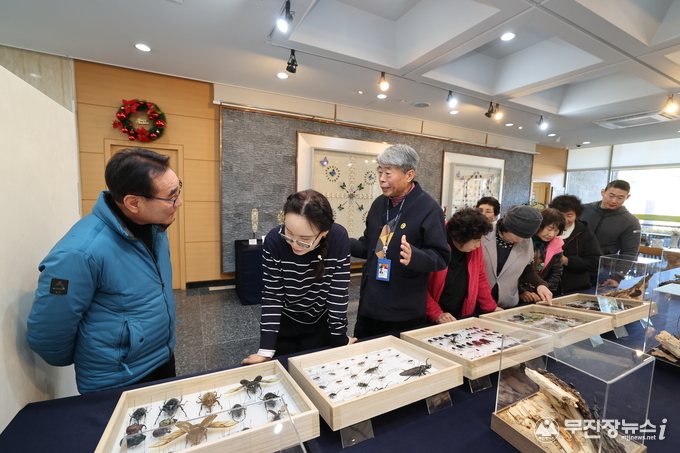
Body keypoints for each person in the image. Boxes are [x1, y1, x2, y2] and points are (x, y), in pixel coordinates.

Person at [27, 148, 181, 394]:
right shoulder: (79, 253)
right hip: (117, 379)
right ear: (133, 202)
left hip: (161, 356)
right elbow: (48, 334)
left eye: (178, 190)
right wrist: (103, 358)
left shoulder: (155, 227)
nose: (179, 202)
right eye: (171, 196)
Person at [242, 190, 354, 364]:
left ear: (324, 232)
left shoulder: (338, 238)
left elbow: (337, 292)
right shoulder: (274, 240)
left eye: (304, 239)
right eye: (289, 233)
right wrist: (265, 350)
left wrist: (340, 338)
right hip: (286, 320)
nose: (294, 243)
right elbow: (273, 294)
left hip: (320, 321)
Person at [351, 144, 450, 338]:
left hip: (403, 308)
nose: (382, 178)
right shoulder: (379, 204)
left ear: (409, 174)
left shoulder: (429, 209)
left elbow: (441, 257)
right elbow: (369, 246)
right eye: (380, 171)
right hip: (370, 303)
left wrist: (416, 256)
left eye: (388, 173)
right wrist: (337, 239)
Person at [426, 208, 502, 324]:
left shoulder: (474, 248)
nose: (478, 246)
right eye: (476, 241)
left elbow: (480, 278)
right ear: (461, 238)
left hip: (459, 312)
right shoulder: (435, 243)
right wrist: (436, 313)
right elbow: (419, 287)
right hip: (430, 316)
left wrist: (491, 307)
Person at [481, 205, 553, 308]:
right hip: (479, 302)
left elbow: (527, 271)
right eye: (518, 235)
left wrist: (540, 285)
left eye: (525, 237)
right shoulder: (484, 233)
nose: (520, 240)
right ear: (507, 226)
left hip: (507, 303)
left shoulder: (526, 241)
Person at [579, 180, 641, 287]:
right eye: (611, 195)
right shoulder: (582, 210)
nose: (613, 201)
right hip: (570, 266)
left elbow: (629, 252)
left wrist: (617, 276)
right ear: (603, 192)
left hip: (601, 273)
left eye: (620, 198)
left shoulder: (631, 222)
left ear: (627, 197)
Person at [549, 195, 602, 294]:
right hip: (547, 288)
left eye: (569, 215)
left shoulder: (584, 232)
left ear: (577, 215)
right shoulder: (544, 229)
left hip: (576, 289)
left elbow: (595, 262)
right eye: (560, 215)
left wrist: (567, 261)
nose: (565, 220)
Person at [519, 208, 565, 302]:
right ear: (539, 225)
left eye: (556, 231)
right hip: (517, 293)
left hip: (540, 293)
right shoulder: (523, 240)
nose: (551, 234)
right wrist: (521, 291)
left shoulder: (556, 245)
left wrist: (544, 291)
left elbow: (555, 273)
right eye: (549, 229)